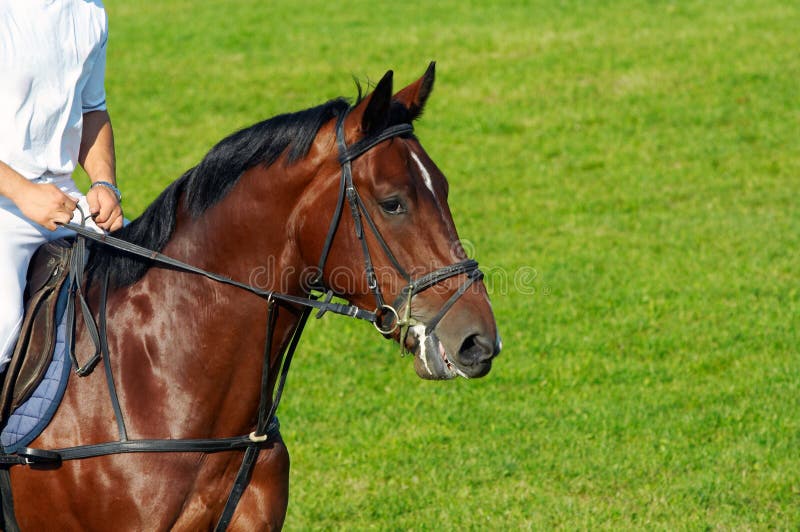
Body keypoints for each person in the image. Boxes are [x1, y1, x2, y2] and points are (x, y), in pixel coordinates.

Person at [0, 0, 124, 372]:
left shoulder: (90, 12)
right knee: (3, 325)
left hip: (62, 199)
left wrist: (104, 183)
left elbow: (92, 109)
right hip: (6, 204)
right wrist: (23, 192)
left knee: (151, 279)